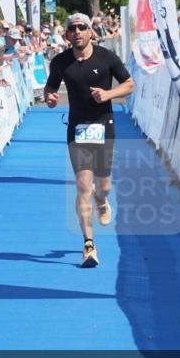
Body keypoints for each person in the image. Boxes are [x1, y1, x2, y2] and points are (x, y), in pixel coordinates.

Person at [43, 13, 134, 268]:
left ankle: (102, 200)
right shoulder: (61, 61)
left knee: (102, 185)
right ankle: (89, 244)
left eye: (82, 27)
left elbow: (129, 84)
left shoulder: (106, 57)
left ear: (90, 32)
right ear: (67, 34)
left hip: (104, 126)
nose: (78, 32)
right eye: (72, 28)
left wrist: (108, 94)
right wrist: (49, 97)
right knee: (83, 184)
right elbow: (50, 88)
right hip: (77, 128)